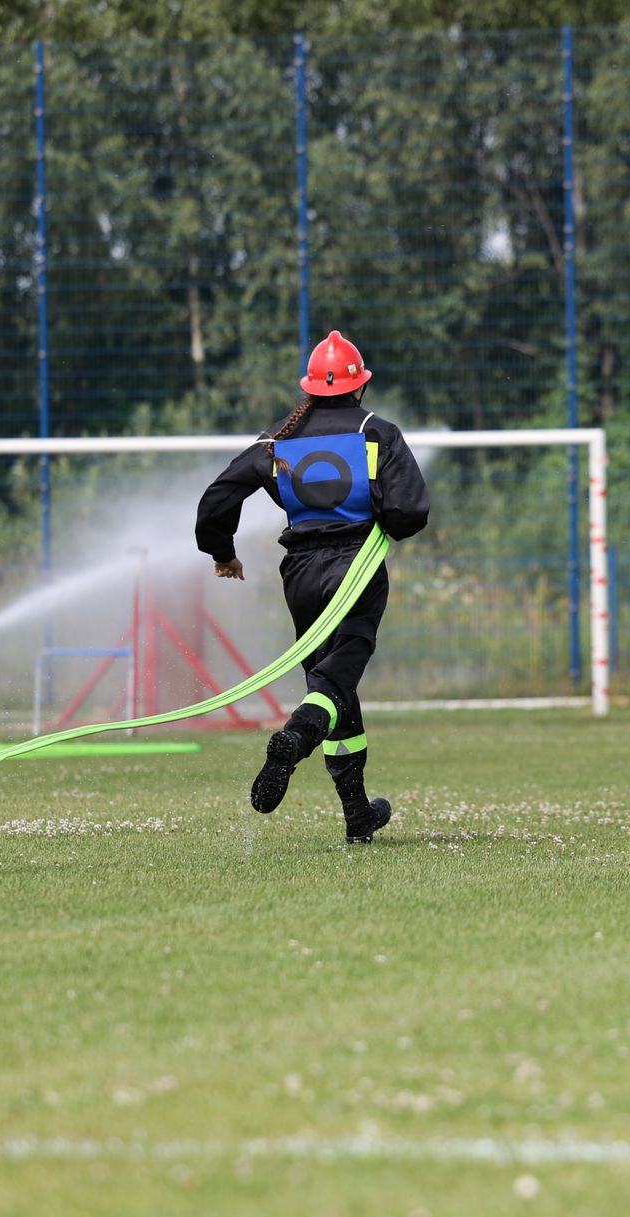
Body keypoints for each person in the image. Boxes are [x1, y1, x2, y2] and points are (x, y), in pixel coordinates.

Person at [195, 329, 431, 843]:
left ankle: (357, 814)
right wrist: (383, 520)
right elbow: (410, 510)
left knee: (331, 682)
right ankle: (297, 736)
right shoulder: (377, 432)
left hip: (300, 573)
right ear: (359, 386)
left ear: (310, 388)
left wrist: (223, 552)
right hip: (359, 568)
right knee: (336, 679)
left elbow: (217, 498)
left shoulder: (279, 437)